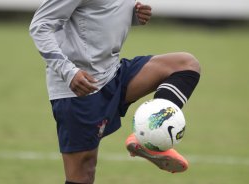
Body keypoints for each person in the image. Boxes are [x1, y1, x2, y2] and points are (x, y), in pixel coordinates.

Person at [29, 0, 201, 183]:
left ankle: (151, 134)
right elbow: (40, 25)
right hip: (79, 88)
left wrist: (133, 16)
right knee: (83, 174)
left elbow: (100, 15)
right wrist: (68, 72)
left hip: (113, 73)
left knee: (185, 65)